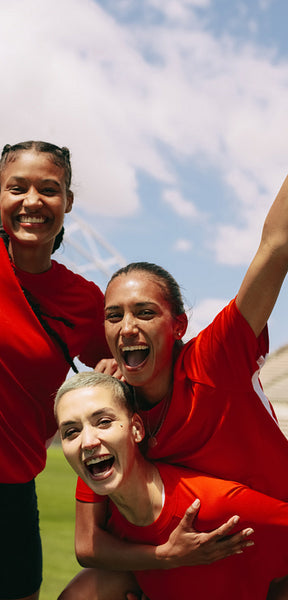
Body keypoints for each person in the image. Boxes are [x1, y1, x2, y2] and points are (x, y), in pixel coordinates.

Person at [0, 3, 249, 598]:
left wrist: (115, 374)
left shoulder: (88, 304)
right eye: (19, 188)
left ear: (68, 203)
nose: (34, 200)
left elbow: (147, 376)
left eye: (49, 189)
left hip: (8, 510)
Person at [69, 173, 288, 599]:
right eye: (114, 316)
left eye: (144, 312)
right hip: (192, 553)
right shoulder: (109, 412)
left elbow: (276, 246)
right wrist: (165, 557)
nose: (127, 326)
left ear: (178, 325)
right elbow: (87, 544)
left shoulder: (215, 360)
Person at [55, 371, 288, 600]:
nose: (87, 442)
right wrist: (164, 557)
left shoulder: (210, 505)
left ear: (136, 429)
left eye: (104, 422)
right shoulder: (112, 515)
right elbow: (87, 549)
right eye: (71, 432)